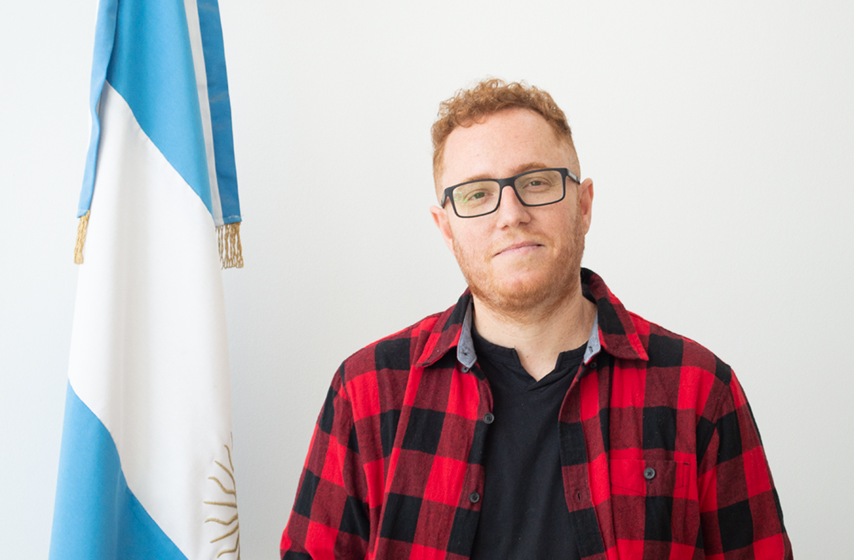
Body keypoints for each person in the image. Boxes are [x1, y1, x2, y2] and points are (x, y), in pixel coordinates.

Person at [281, 79, 792, 560]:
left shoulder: (698, 389)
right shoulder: (367, 393)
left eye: (536, 182)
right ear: (446, 228)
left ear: (584, 206)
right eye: (477, 194)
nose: (511, 214)